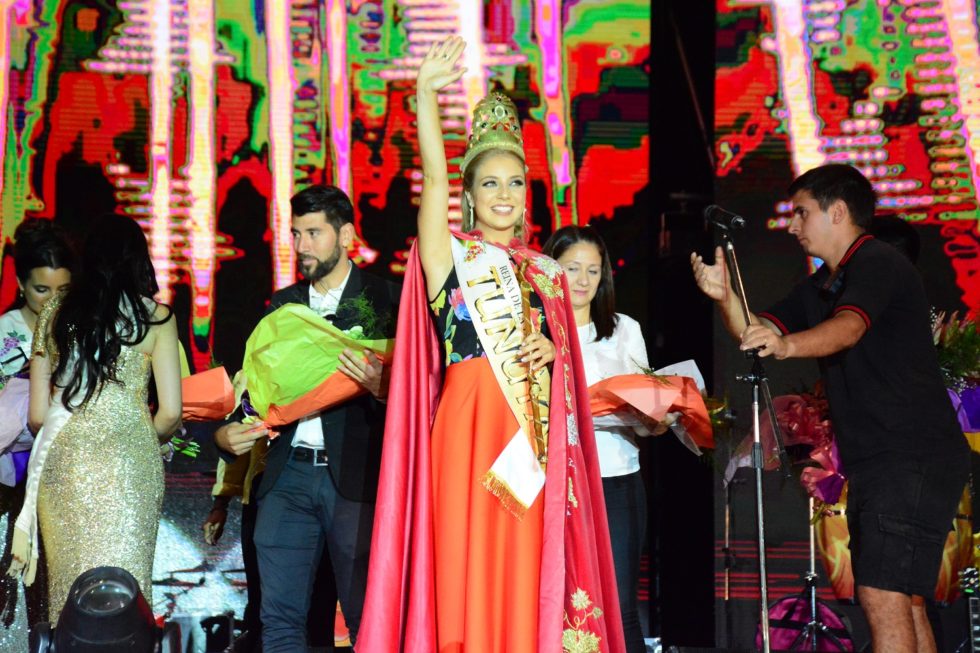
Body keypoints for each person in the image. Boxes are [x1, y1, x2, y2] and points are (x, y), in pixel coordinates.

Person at [358, 37, 625, 652]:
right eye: (489, 184)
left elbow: (566, 369)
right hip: (469, 423)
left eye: (515, 183)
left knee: (526, 569)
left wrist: (556, 357)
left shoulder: (548, 273)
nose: (504, 195)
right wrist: (426, 96)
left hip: (529, 438)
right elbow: (431, 179)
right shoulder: (451, 256)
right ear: (470, 195)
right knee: (465, 564)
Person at [691, 163, 969, 653]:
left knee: (882, 594)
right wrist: (726, 297)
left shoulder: (877, 262)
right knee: (903, 599)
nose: (792, 226)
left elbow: (848, 328)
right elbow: (758, 332)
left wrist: (786, 346)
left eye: (801, 213)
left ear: (837, 211)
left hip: (909, 457)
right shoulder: (824, 283)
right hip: (890, 460)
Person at [213, 183, 400, 651]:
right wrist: (227, 434)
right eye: (295, 234)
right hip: (288, 477)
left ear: (346, 235)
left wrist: (386, 390)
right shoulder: (283, 304)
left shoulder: (389, 301)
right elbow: (256, 388)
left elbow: (429, 393)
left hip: (358, 478)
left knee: (368, 619)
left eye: (313, 233)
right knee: (278, 620)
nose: (301, 246)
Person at [7, 213, 182, 621]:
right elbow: (171, 413)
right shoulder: (156, 318)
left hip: (64, 465)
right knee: (128, 590)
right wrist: (141, 439)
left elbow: (38, 416)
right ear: (140, 261)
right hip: (132, 467)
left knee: (68, 592)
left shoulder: (54, 312)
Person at [543, 225, 649, 653]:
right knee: (555, 601)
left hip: (615, 480)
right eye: (572, 269)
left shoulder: (624, 330)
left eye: (593, 270)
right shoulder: (536, 331)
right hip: (552, 485)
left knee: (619, 607)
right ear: (550, 271)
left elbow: (646, 416)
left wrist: (658, 417)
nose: (583, 280)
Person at [0, 219, 73, 648]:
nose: (52, 301)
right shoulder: (5, 332)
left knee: (53, 589)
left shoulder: (77, 332)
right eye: (41, 289)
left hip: (61, 476)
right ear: (20, 284)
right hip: (7, 480)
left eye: (63, 290)